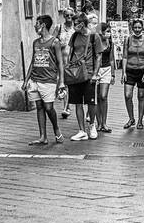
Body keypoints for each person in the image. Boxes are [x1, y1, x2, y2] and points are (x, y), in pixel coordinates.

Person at [24, 15, 65, 146]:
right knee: (39, 107)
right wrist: (26, 79)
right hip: (35, 79)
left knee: (48, 107)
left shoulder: (54, 42)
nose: (35, 26)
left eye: (37, 24)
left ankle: (56, 129)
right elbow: (32, 61)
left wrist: (61, 82)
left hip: (49, 80)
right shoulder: (36, 42)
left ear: (42, 25)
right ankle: (43, 137)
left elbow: (60, 63)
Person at [65, 13, 102, 141]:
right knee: (77, 103)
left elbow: (98, 56)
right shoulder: (74, 36)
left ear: (82, 23)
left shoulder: (93, 36)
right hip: (75, 73)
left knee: (91, 102)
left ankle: (92, 125)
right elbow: (70, 53)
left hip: (89, 73)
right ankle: (81, 130)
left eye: (76, 23)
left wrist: (96, 74)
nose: (74, 26)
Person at [122, 17, 144, 130]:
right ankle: (131, 118)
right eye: (135, 27)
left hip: (142, 70)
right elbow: (125, 56)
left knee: (141, 96)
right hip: (130, 69)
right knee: (127, 95)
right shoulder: (128, 40)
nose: (137, 29)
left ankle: (139, 120)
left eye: (139, 27)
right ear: (132, 28)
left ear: (142, 28)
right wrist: (123, 72)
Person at [95, 21, 117, 133]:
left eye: (109, 31)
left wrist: (113, 74)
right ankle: (99, 123)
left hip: (106, 69)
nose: (109, 34)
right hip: (96, 70)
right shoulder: (95, 42)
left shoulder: (110, 43)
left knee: (103, 96)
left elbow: (112, 59)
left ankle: (104, 122)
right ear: (101, 32)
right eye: (107, 31)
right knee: (97, 97)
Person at [56, 11, 75, 119]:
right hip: (61, 60)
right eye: (67, 15)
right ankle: (66, 106)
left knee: (70, 84)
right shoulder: (59, 27)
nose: (69, 17)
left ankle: (68, 106)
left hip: (72, 61)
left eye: (71, 15)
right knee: (63, 83)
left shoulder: (76, 28)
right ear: (64, 16)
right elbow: (52, 41)